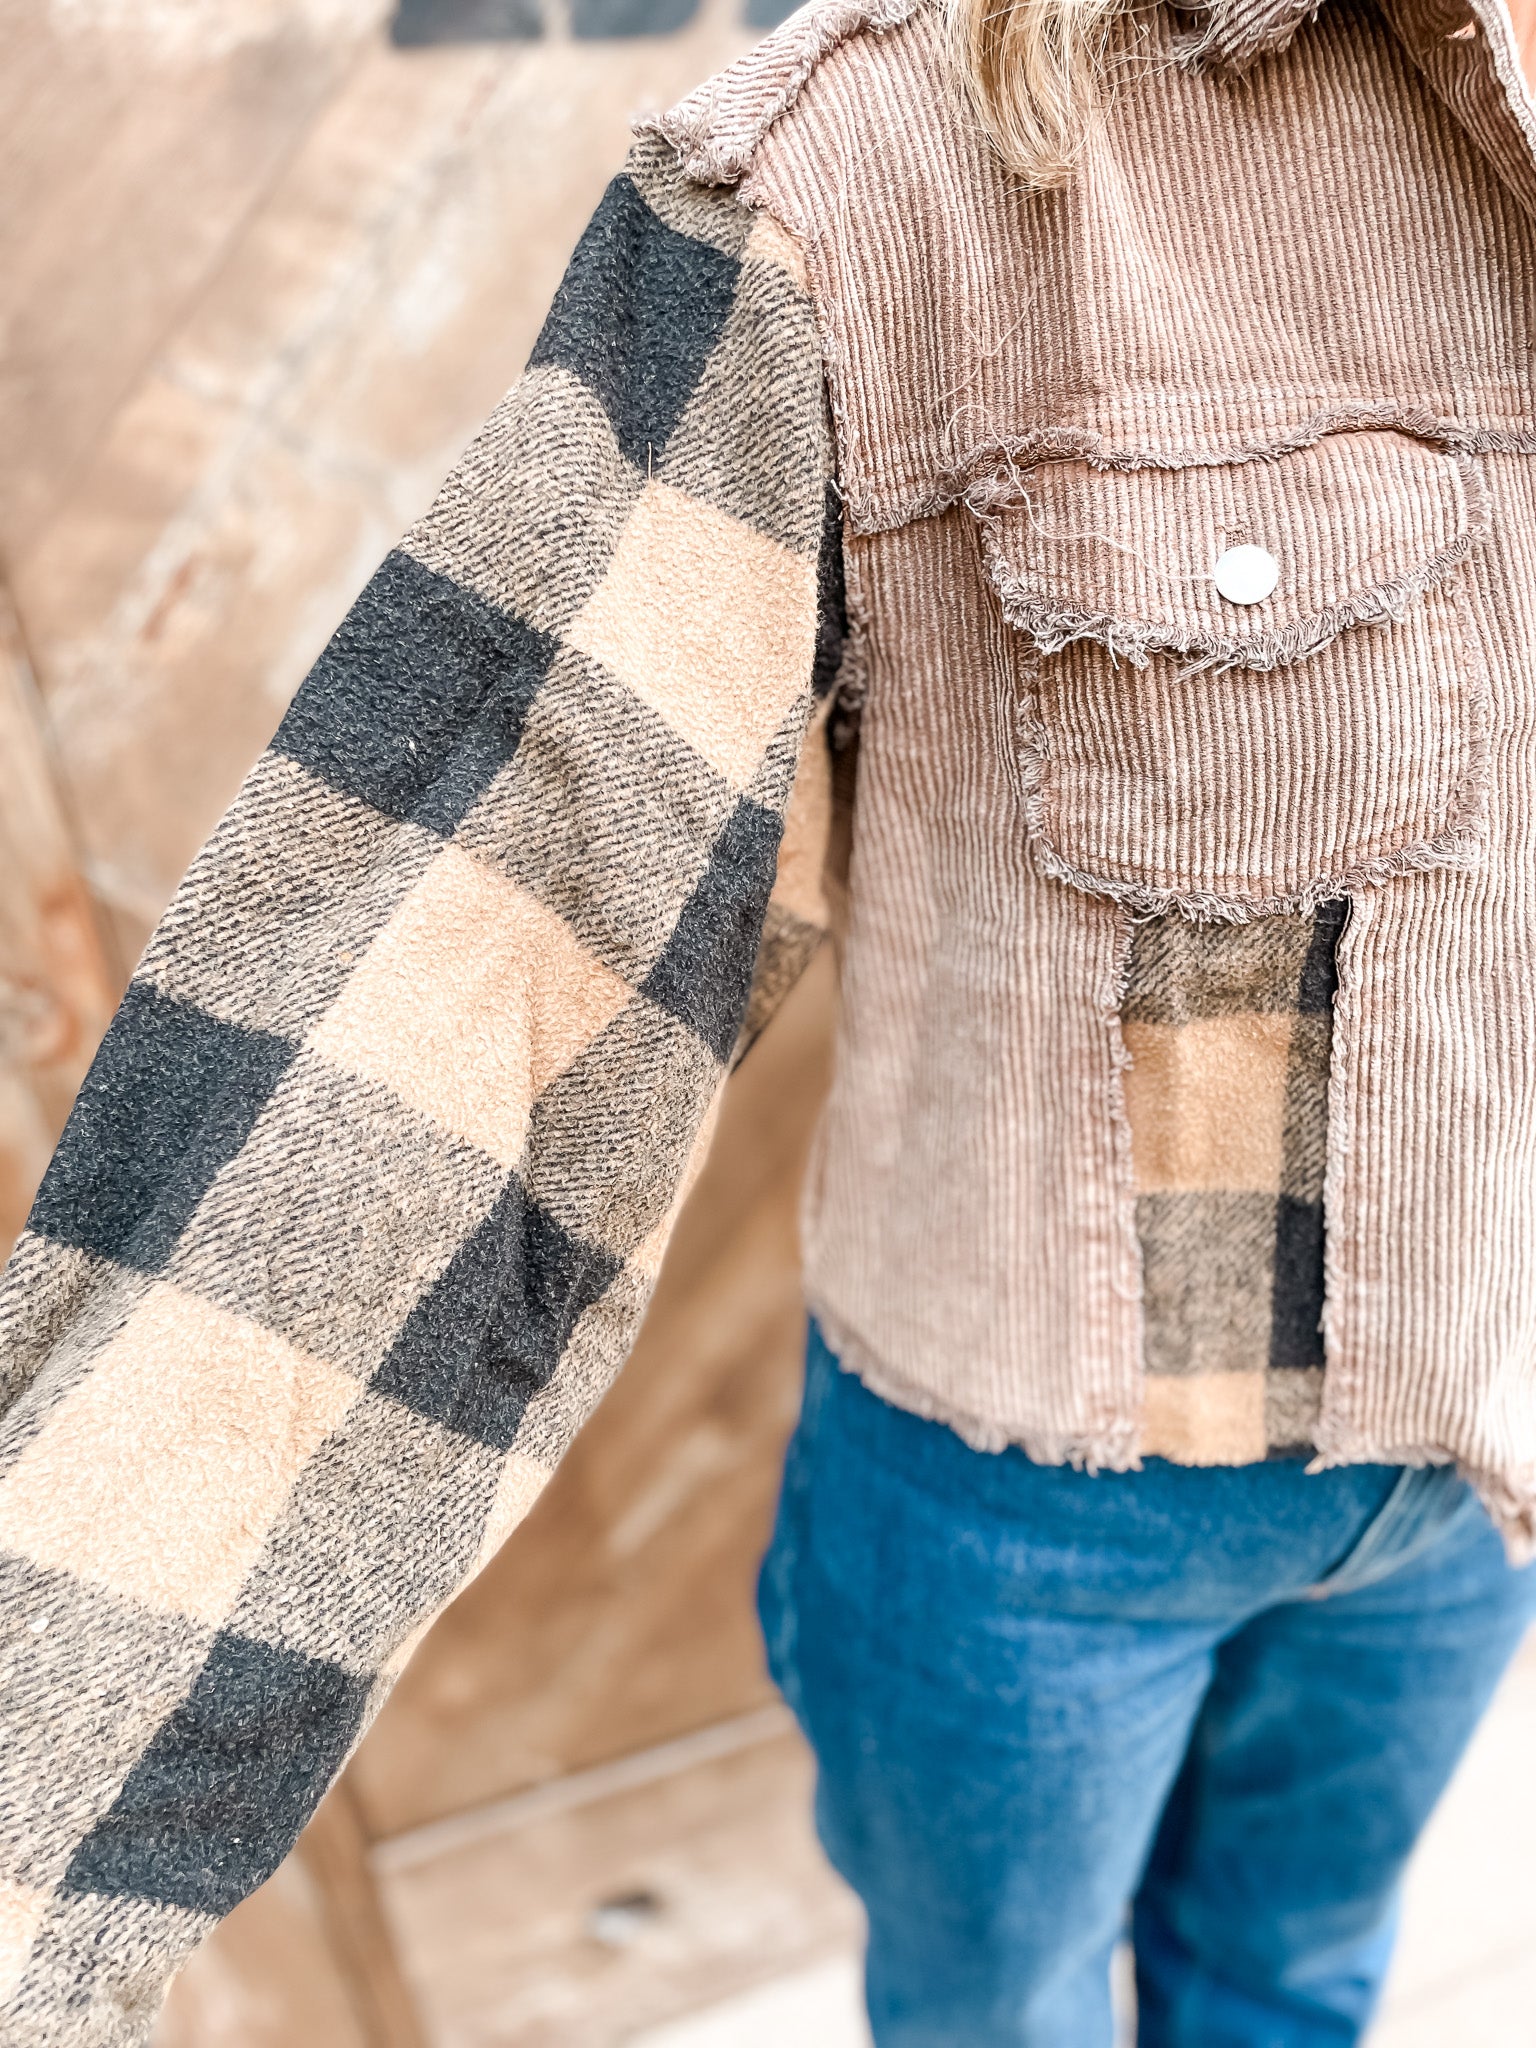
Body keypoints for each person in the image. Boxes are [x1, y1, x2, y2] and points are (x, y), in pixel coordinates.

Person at [4, 0, 1536, 2039]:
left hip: (1479, 1448)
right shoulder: (852, 181)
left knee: (1292, 1977)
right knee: (993, 2016)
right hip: (1030, 1513)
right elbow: (483, 948)